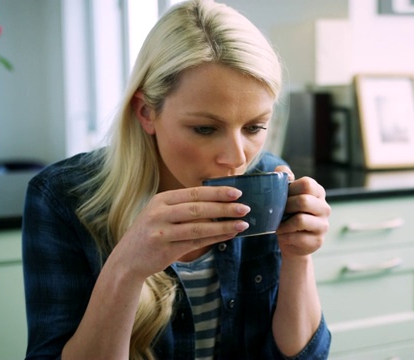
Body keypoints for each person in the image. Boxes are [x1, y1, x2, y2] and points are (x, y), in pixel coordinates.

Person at [21, 0, 331, 359]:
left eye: (254, 127)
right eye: (205, 128)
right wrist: (125, 270)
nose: (237, 158)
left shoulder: (269, 180)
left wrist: (298, 258)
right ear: (146, 112)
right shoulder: (63, 199)